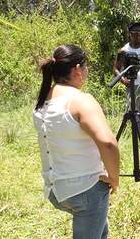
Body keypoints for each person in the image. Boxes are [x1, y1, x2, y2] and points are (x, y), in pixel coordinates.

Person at [33, 45, 120, 239]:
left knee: (100, 230)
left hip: (55, 190)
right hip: (85, 190)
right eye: (86, 67)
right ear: (78, 69)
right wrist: (114, 178)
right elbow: (108, 144)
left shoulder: (42, 101)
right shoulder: (80, 101)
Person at [113, 21, 140, 128]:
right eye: (134, 33)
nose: (138, 35)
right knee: (133, 112)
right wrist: (123, 80)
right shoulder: (124, 50)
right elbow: (116, 69)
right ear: (130, 34)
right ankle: (134, 134)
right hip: (132, 84)